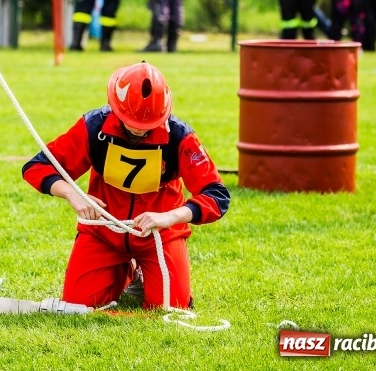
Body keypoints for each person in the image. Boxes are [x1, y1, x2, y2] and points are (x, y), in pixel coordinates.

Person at [21, 62, 230, 310]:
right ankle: (127, 269)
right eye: (131, 122)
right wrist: (71, 194)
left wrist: (168, 217)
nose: (138, 129)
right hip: (104, 233)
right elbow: (37, 166)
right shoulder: (93, 127)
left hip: (160, 236)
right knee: (77, 306)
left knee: (171, 306)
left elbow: (216, 195)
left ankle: (141, 269)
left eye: (148, 125)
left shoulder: (180, 137)